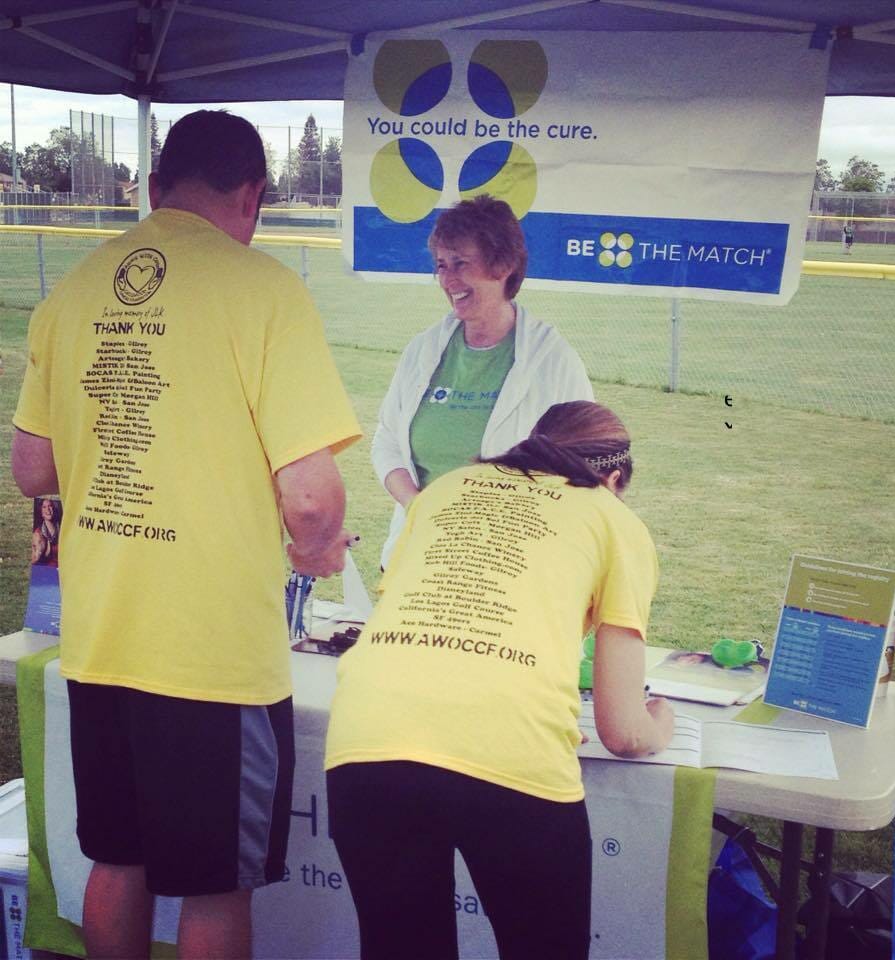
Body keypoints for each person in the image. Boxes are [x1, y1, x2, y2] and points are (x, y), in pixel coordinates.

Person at [11, 110, 361, 960]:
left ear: (157, 187)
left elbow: (31, 468)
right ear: (252, 195)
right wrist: (315, 553)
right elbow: (312, 501)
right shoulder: (265, 290)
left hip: (100, 639)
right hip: (210, 658)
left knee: (116, 862)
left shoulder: (73, 291)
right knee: (213, 885)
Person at [326, 400, 675, 960]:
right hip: (511, 755)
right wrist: (661, 723)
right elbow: (624, 730)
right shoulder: (615, 519)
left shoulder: (447, 487)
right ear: (612, 478)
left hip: (367, 739)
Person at [371, 194, 593, 567]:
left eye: (460, 264)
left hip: (509, 567)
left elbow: (584, 468)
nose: (447, 279)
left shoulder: (554, 361)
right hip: (417, 556)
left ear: (503, 264)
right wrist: (417, 506)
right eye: (441, 265)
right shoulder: (422, 351)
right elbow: (387, 442)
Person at [31, 497, 62, 565]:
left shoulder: (62, 527)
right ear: (41, 512)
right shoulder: (38, 534)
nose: (48, 509)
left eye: (50, 506)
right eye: (44, 507)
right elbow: (34, 559)